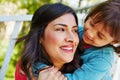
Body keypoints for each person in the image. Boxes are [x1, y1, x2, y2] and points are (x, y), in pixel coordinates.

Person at [34, 0, 120, 80]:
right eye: (92, 24)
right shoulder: (75, 31)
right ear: (90, 15)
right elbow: (36, 55)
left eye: (100, 35)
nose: (90, 33)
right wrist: (42, 69)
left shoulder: (103, 58)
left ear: (113, 41)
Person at [15, 3, 83, 80]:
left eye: (75, 30)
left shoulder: (91, 67)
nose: (72, 38)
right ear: (39, 36)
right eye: (60, 29)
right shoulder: (26, 67)